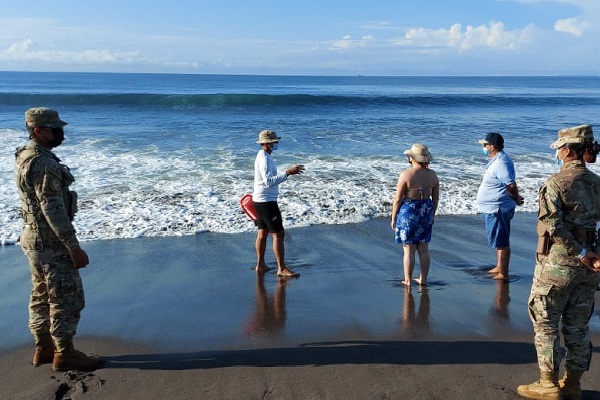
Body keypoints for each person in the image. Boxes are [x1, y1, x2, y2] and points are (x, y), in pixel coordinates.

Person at [15, 107, 102, 372]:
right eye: (55, 129)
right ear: (38, 130)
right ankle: (65, 353)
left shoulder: (25, 155)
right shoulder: (42, 162)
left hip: (33, 239)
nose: (61, 132)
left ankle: (43, 348)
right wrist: (73, 247)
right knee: (66, 298)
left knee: (41, 295)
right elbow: (52, 208)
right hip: (51, 243)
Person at [517, 125, 600, 400]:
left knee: (545, 321)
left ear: (567, 151)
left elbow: (552, 224)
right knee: (577, 326)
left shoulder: (556, 182)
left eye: (559, 148)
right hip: (590, 266)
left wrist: (578, 252)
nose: (557, 152)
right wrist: (592, 254)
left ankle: (548, 383)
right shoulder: (597, 183)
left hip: (558, 265)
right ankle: (573, 384)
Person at [252, 129, 304, 277]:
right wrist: (288, 172)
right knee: (278, 235)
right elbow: (269, 182)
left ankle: (261, 264)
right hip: (267, 202)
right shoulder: (265, 158)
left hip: (260, 200)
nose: (277, 143)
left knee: (262, 233)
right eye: (275, 142)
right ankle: (281, 268)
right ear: (268, 144)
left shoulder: (262, 156)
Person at [476, 132, 524, 282]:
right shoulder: (497, 160)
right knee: (498, 240)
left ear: (493, 146)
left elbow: (510, 184)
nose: (484, 147)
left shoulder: (501, 162)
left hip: (498, 208)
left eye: (485, 144)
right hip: (494, 207)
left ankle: (503, 272)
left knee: (502, 241)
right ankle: (499, 267)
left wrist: (516, 198)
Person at [391, 143, 440, 288]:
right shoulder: (433, 175)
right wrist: (431, 214)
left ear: (412, 158)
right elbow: (435, 198)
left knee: (409, 249)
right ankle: (423, 279)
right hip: (426, 210)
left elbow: (398, 199)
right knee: (423, 249)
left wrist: (393, 217)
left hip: (409, 213)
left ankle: (407, 280)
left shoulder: (406, 174)